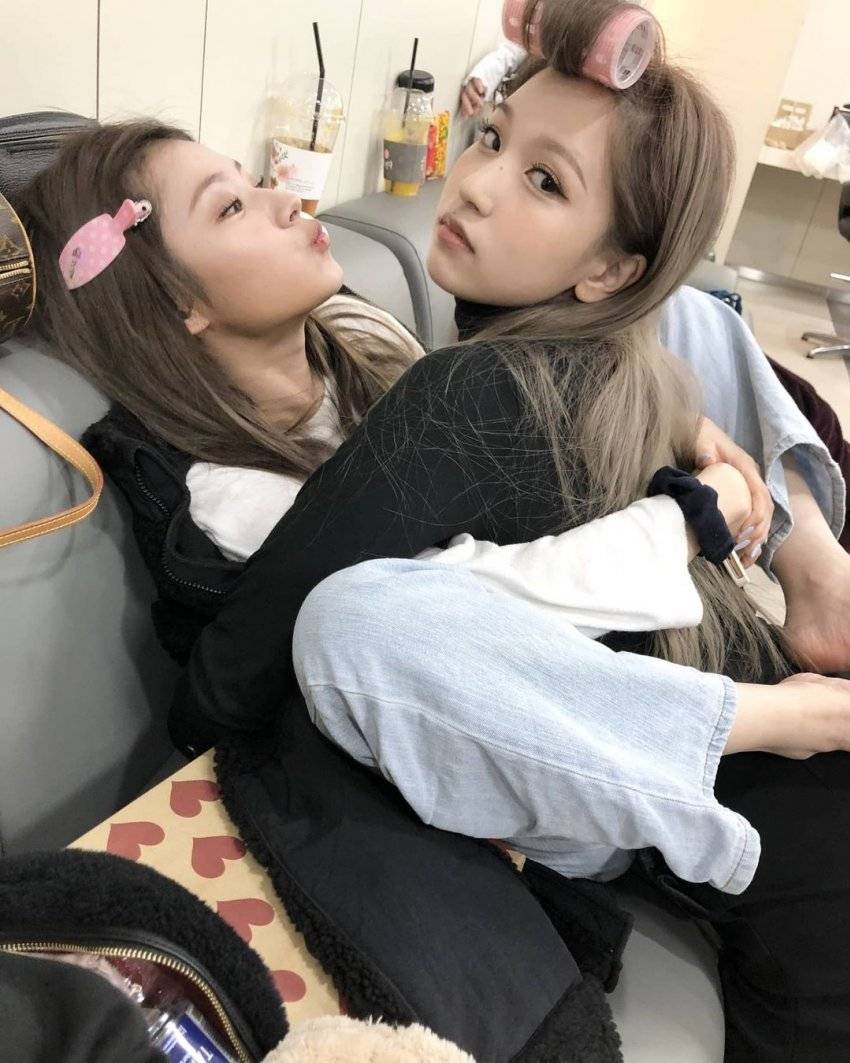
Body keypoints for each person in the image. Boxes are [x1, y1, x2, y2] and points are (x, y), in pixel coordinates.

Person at [16, 1, 850, 1055]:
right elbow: (289, 657)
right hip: (694, 752)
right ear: (175, 300)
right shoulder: (408, 408)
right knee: (357, 615)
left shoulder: (378, 345)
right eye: (492, 140)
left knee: (692, 320)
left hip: (754, 785)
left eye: (541, 179)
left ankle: (814, 558)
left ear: (606, 271)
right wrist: (693, 511)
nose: (475, 180)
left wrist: (690, 453)